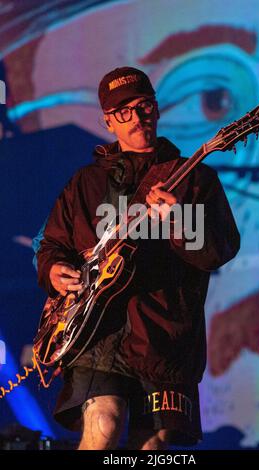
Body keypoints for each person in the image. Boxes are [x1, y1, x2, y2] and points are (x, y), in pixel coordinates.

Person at [36, 66, 240, 450]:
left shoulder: (194, 180)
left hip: (164, 338)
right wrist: (54, 271)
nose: (138, 117)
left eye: (144, 106)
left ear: (157, 110)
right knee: (103, 425)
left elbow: (218, 251)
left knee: (152, 447)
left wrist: (178, 219)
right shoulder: (85, 184)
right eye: (124, 111)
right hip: (95, 334)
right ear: (108, 121)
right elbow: (51, 247)